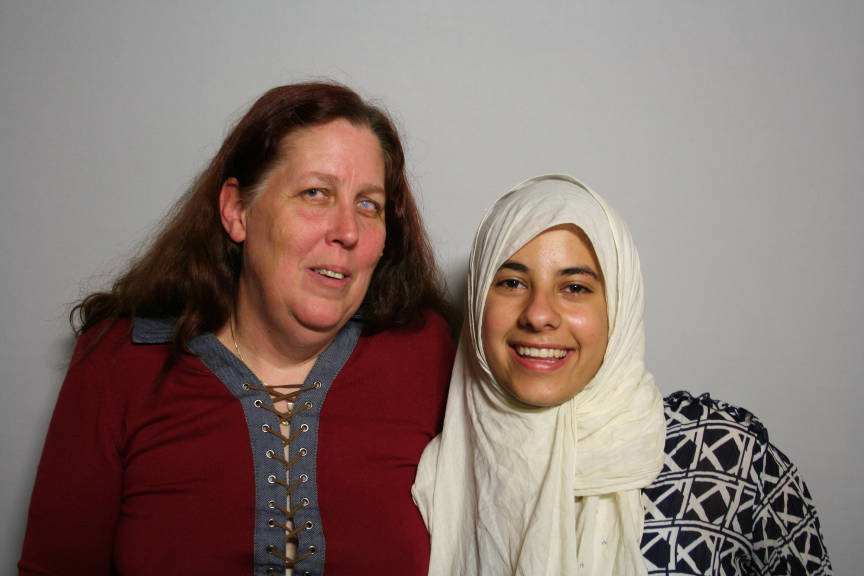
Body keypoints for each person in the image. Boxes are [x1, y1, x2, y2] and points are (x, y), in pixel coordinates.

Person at [19, 82, 456, 576]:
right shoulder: (119, 362)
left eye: (368, 205)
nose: (347, 230)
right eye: (316, 193)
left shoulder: (426, 352)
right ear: (237, 210)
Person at [412, 174, 831, 575]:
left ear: (620, 307)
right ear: (477, 302)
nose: (538, 315)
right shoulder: (430, 484)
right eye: (511, 283)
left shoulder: (723, 456)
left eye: (575, 287)